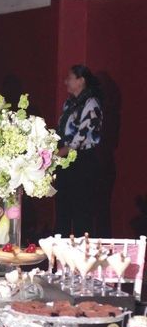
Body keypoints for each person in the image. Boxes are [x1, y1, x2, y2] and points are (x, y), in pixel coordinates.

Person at [55, 64, 103, 236]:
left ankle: (84, 258)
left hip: (83, 163)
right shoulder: (69, 104)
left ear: (81, 80)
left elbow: (80, 139)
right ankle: (59, 258)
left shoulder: (92, 104)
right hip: (66, 162)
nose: (65, 81)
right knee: (63, 212)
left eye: (69, 77)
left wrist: (55, 155)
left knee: (82, 214)